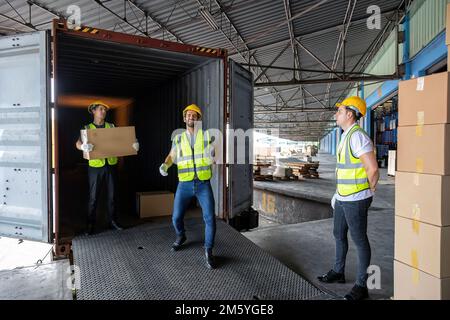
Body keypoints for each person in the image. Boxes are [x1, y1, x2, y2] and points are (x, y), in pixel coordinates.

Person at [317, 96, 379, 300]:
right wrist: (338, 193)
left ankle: (362, 287)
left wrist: (367, 193)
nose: (336, 114)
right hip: (343, 196)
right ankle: (338, 271)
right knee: (338, 234)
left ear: (350, 114)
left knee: (360, 240)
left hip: (356, 198)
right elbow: (345, 170)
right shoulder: (346, 135)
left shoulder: (357, 136)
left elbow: (373, 169)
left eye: (340, 111)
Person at [159, 104, 217, 269]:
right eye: (189, 115)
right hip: (184, 183)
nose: (191, 118)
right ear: (185, 118)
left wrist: (214, 154)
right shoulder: (178, 138)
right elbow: (171, 156)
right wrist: (165, 165)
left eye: (195, 115)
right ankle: (181, 236)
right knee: (176, 217)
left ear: (199, 119)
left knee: (210, 218)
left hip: (203, 183)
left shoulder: (207, 137)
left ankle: (208, 250)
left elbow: (215, 158)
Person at [75, 101, 139, 235]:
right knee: (93, 197)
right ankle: (90, 225)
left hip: (110, 165)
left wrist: (133, 144)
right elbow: (78, 142)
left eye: (104, 109)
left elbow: (121, 141)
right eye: (100, 109)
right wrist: (82, 147)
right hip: (95, 167)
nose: (103, 111)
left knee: (112, 196)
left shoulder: (111, 126)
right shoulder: (88, 128)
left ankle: (113, 221)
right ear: (93, 111)